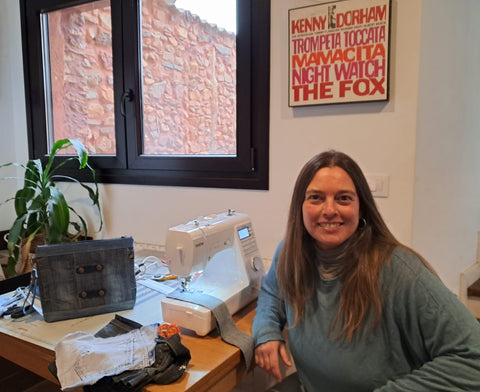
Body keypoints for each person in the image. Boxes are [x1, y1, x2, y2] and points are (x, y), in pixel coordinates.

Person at [253, 150, 480, 392]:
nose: (329, 210)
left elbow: (473, 358)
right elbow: (271, 293)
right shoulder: (290, 252)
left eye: (343, 198)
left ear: (361, 208)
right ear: (300, 206)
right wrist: (266, 332)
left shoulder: (399, 270)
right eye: (316, 198)